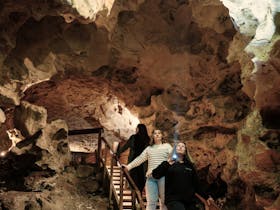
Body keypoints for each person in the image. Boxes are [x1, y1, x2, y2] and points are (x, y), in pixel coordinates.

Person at [152, 141, 214, 210]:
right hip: (174, 200)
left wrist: (207, 197)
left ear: (185, 151)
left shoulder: (190, 166)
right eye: (178, 146)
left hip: (189, 201)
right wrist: (167, 163)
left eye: (183, 146)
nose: (181, 147)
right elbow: (155, 174)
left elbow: (197, 185)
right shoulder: (168, 164)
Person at [123, 129, 172, 210]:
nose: (157, 135)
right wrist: (128, 167)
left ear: (162, 135)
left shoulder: (167, 146)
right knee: (151, 203)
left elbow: (173, 159)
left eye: (159, 133)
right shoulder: (149, 148)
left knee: (163, 202)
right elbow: (140, 159)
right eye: (155, 133)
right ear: (152, 136)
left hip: (163, 177)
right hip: (151, 178)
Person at [116, 124, 150, 192]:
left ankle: (135, 196)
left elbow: (126, 146)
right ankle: (137, 196)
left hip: (135, 160)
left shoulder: (134, 138)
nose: (135, 130)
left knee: (134, 179)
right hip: (142, 162)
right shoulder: (147, 139)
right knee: (140, 179)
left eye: (137, 128)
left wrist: (118, 153)